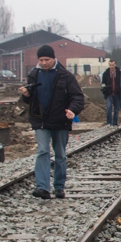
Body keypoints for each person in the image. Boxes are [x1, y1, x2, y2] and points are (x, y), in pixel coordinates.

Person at [19, 44, 84, 199]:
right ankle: (42, 187)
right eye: (41, 60)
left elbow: (77, 96)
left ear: (54, 58)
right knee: (42, 151)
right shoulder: (34, 75)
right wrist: (26, 94)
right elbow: (29, 99)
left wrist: (72, 110)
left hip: (60, 121)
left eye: (46, 59)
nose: (43, 62)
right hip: (40, 120)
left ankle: (59, 186)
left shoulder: (65, 76)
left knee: (60, 153)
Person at [101, 59, 121, 127]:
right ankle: (109, 123)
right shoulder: (105, 74)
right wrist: (105, 89)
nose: (111, 67)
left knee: (116, 109)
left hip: (117, 93)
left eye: (112, 65)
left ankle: (115, 123)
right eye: (110, 65)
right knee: (109, 108)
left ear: (115, 65)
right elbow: (103, 83)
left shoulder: (119, 73)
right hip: (109, 94)